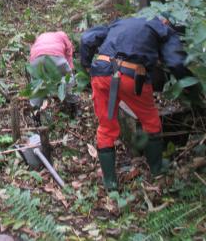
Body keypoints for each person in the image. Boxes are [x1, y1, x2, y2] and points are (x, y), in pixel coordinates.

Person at [80, 15, 188, 191]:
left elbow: (87, 38)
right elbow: (176, 62)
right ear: (167, 23)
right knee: (151, 122)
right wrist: (191, 87)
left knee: (106, 127)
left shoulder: (121, 22)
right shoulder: (164, 29)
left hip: (101, 72)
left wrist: (86, 65)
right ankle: (156, 169)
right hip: (132, 76)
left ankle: (110, 183)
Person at [28, 31, 80, 116]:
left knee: (36, 85)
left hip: (36, 58)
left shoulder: (40, 37)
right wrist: (70, 69)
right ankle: (74, 106)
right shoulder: (62, 35)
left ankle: (35, 112)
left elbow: (32, 52)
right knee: (68, 79)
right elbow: (69, 52)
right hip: (55, 56)